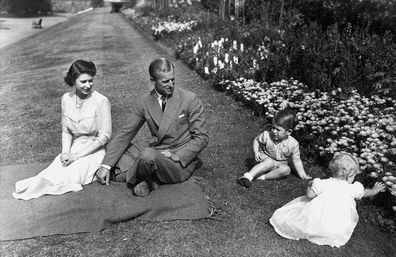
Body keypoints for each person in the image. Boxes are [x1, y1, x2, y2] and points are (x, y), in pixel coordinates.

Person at [96, 58, 209, 197]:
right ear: (152, 81)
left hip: (179, 162)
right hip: (156, 154)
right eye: (165, 81)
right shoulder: (144, 102)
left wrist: (178, 156)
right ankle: (149, 177)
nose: (171, 84)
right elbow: (126, 133)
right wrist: (106, 165)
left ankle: (137, 177)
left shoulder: (190, 99)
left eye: (173, 80)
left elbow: (202, 137)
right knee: (117, 147)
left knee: (146, 155)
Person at [12, 60, 112, 200]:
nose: (88, 85)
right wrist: (66, 153)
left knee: (68, 177)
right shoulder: (66, 99)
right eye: (83, 82)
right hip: (74, 147)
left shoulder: (101, 101)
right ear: (73, 80)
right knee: (50, 174)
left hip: (94, 151)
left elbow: (105, 136)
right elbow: (66, 130)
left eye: (90, 81)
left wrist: (76, 157)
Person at [269, 152, 386, 247]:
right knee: (337, 224)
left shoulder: (323, 184)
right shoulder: (353, 188)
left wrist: (311, 185)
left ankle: (311, 229)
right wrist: (375, 190)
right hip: (336, 228)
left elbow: (309, 195)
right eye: (354, 175)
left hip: (315, 221)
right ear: (350, 175)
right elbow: (366, 193)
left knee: (300, 208)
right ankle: (326, 233)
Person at [238, 109, 311, 188]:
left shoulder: (293, 144)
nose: (274, 131)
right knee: (269, 162)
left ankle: (262, 177)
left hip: (278, 165)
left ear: (289, 132)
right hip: (263, 160)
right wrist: (256, 152)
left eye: (278, 130)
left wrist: (303, 175)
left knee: (286, 170)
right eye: (273, 127)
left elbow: (296, 161)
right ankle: (248, 176)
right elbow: (256, 140)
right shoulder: (267, 136)